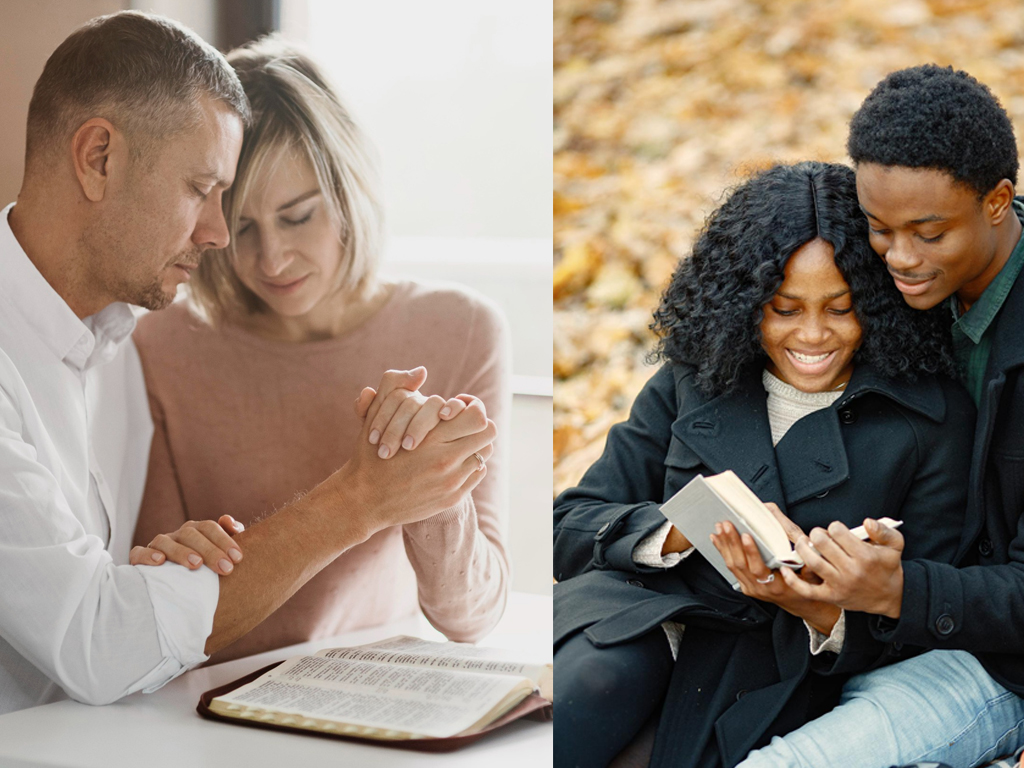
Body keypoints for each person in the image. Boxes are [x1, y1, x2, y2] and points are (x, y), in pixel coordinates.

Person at [0, 11, 495, 715]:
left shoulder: (106, 340)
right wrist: (362, 496)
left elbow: (127, 595)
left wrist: (431, 479)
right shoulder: (145, 346)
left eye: (293, 215)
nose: (219, 235)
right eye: (204, 191)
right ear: (99, 158)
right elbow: (102, 637)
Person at [552, 161, 976, 768]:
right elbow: (575, 525)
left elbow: (926, 619)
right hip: (645, 621)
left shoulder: (931, 420)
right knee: (591, 686)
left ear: (879, 303)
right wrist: (680, 533)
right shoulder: (694, 378)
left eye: (840, 308)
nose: (812, 336)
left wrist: (813, 607)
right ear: (746, 302)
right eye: (783, 309)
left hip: (774, 664)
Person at [130, 36, 511, 664]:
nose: (271, 259)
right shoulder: (163, 343)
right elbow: (156, 601)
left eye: (298, 215)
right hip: (206, 703)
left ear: (348, 192)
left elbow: (472, 619)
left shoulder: (461, 329)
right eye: (242, 227)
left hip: (376, 699)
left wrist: (429, 489)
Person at [738, 65, 1024, 768]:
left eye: (928, 232)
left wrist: (898, 588)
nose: (900, 258)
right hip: (864, 631)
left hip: (996, 665)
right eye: (879, 227)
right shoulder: (898, 289)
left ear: (997, 201)